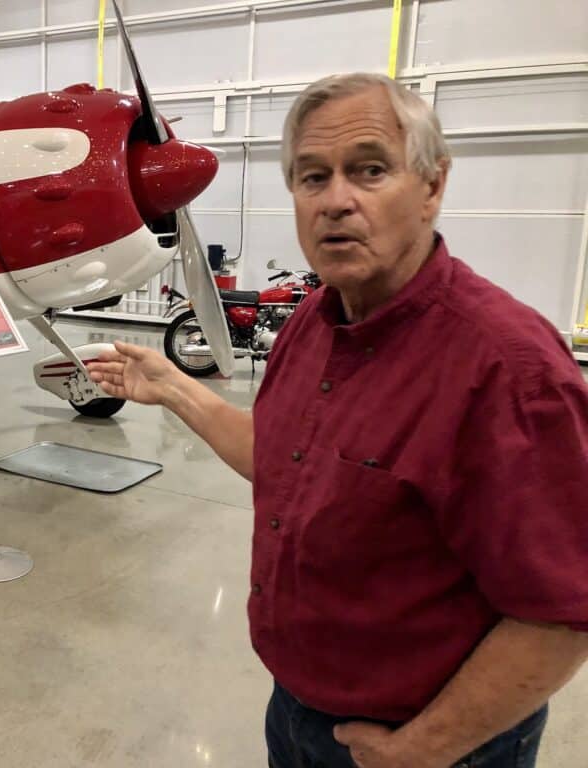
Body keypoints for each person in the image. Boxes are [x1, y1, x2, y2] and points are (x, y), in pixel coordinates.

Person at [88, 73, 588, 768]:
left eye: (370, 170)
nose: (336, 201)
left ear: (433, 187)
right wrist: (176, 389)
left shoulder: (508, 369)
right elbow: (286, 465)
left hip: (429, 743)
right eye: (312, 177)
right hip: (295, 710)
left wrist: (422, 750)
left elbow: (559, 612)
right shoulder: (314, 324)